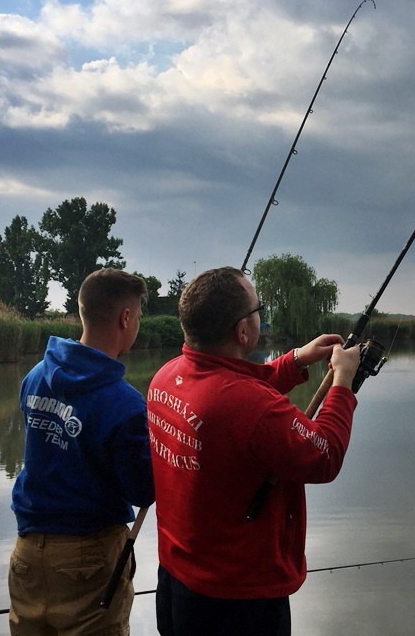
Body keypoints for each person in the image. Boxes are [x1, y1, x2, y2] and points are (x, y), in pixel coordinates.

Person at [147, 266, 361, 636]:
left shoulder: (166, 376)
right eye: (257, 309)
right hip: (238, 601)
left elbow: (232, 388)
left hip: (177, 580)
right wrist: (343, 382)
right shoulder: (251, 406)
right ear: (243, 331)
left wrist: (295, 360)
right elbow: (323, 456)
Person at [9, 268, 154, 636]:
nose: (136, 323)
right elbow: (143, 490)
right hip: (87, 560)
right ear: (125, 318)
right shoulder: (125, 403)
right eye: (137, 315)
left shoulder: (36, 375)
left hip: (26, 554)